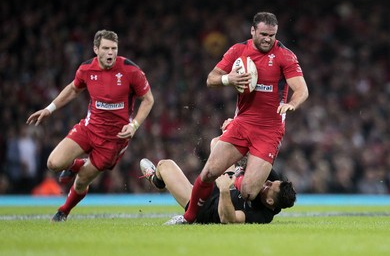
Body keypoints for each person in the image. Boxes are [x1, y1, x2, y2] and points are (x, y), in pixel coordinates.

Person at [166, 12, 308, 224]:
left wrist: (292, 104)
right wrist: (228, 78)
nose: (268, 39)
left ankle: (238, 171)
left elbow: (302, 90)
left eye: (272, 35)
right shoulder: (238, 51)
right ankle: (188, 217)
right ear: (252, 31)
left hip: (269, 131)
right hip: (242, 124)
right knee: (208, 173)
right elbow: (211, 79)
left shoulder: (285, 56)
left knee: (250, 192)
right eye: (263, 34)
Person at [26, 30, 154, 222]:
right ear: (96, 49)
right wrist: (49, 109)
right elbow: (72, 89)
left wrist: (134, 125)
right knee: (53, 163)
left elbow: (148, 100)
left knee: (81, 181)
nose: (110, 53)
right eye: (106, 48)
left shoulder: (131, 70)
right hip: (89, 128)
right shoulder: (86, 69)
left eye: (114, 49)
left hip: (114, 139)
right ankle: (76, 164)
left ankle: (64, 211)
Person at [140, 158, 296, 224]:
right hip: (222, 185)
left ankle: (156, 179)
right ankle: (158, 181)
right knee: (218, 143)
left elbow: (229, 219)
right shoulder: (271, 180)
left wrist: (224, 190)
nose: (266, 182)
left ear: (270, 201)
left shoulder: (262, 216)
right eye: (270, 181)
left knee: (164, 165)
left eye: (269, 186)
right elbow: (256, 157)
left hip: (204, 208)